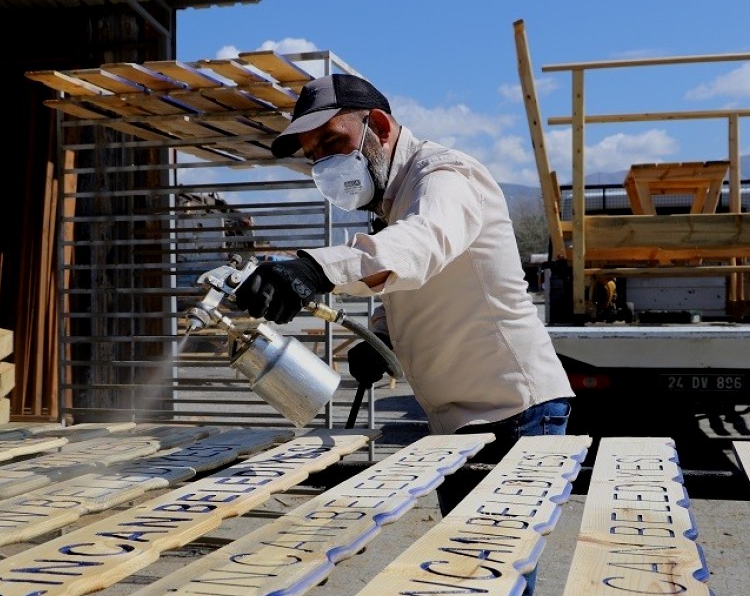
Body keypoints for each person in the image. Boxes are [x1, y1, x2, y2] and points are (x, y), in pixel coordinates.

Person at [233, 73, 575, 537]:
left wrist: (316, 270)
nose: (327, 163)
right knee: (465, 572)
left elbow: (421, 244)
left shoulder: (446, 175)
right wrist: (383, 334)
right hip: (462, 416)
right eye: (315, 155)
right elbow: (408, 274)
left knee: (494, 579)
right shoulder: (392, 201)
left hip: (513, 412)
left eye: (334, 142)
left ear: (379, 125)